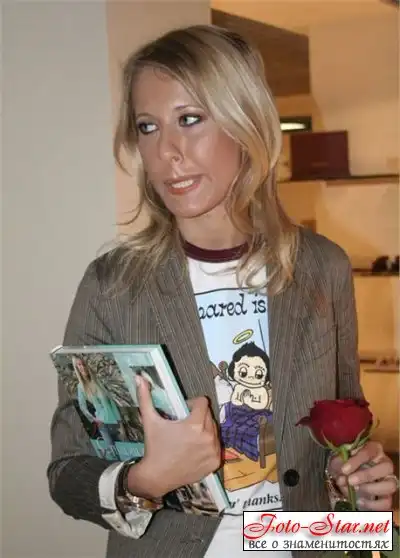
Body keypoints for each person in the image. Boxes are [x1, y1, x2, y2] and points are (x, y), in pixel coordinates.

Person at [47, 24, 398, 558]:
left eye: (189, 119)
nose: (166, 151)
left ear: (246, 122)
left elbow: (342, 424)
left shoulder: (322, 267)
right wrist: (145, 480)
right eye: (147, 126)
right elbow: (68, 472)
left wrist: (356, 480)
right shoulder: (114, 285)